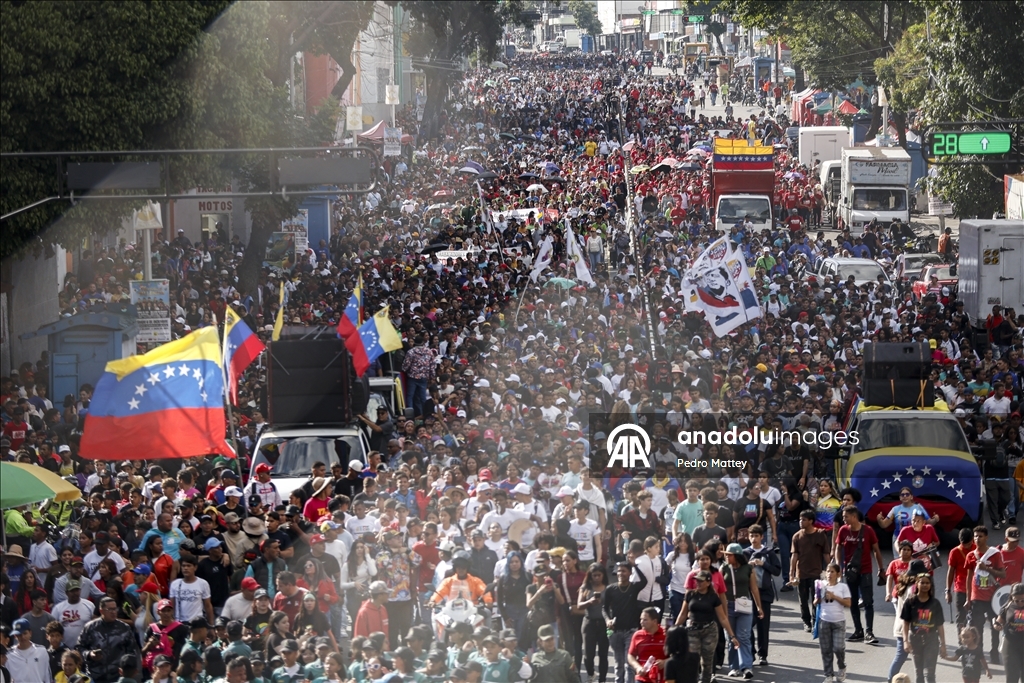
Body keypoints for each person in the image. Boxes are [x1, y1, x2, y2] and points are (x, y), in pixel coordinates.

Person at [675, 569, 736, 683]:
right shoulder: (690, 595)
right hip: (692, 630)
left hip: (709, 631)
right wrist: (674, 628)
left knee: (707, 662)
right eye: (696, 580)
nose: (697, 583)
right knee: (692, 659)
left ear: (708, 583)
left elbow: (722, 618)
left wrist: (732, 636)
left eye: (701, 581)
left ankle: (705, 681)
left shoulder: (713, 597)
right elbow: (683, 614)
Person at [835, 506, 883, 644]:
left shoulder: (868, 531)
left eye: (846, 517)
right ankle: (858, 630)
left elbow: (876, 550)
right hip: (850, 572)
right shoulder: (843, 530)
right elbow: (838, 547)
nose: (843, 519)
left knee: (868, 602)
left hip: (865, 571)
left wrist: (881, 568)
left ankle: (869, 632)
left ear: (854, 517)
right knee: (853, 602)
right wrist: (839, 566)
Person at [77, 596, 141, 683]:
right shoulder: (90, 627)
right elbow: (79, 648)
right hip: (95, 676)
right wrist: (89, 654)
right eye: (110, 609)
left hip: (118, 677)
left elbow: (132, 652)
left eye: (115, 609)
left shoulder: (124, 628)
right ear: (101, 611)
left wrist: (131, 673)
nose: (114, 612)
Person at [966, 525, 1006, 662]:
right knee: (977, 628)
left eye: (980, 536)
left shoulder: (994, 554)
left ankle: (994, 653)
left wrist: (987, 569)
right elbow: (969, 577)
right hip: (976, 597)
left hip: (992, 597)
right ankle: (979, 655)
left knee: (995, 627)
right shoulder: (971, 555)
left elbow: (1003, 573)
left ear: (986, 537)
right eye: (975, 536)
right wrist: (968, 598)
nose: (977, 539)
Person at [604, 560, 648, 683]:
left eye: (624, 571)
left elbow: (644, 581)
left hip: (631, 631)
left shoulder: (633, 587)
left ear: (629, 573)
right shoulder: (610, 589)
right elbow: (604, 608)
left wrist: (635, 566)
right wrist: (607, 620)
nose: (620, 573)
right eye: (619, 571)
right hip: (615, 631)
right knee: (618, 665)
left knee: (629, 664)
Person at [901, 571, 947, 683]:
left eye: (927, 583)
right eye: (922, 583)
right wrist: (905, 641)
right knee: (919, 673)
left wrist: (943, 644)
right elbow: (906, 623)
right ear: (917, 584)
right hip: (915, 639)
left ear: (931, 585)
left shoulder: (935, 603)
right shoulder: (910, 602)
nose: (925, 585)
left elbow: (940, 625)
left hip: (931, 640)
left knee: (930, 674)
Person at [744, 524, 780, 666]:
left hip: (764, 593)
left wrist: (763, 564)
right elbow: (739, 570)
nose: (754, 539)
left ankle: (763, 655)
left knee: (763, 625)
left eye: (756, 536)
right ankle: (751, 652)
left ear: (762, 537)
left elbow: (777, 571)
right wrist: (749, 565)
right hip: (748, 594)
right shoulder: (744, 553)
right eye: (751, 536)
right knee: (748, 624)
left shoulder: (769, 552)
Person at [791, 509, 830, 632]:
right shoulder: (797, 536)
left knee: (816, 599)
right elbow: (794, 556)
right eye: (800, 519)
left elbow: (826, 554)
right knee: (803, 600)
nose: (801, 522)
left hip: (816, 573)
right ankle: (806, 622)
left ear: (811, 521)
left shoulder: (820, 534)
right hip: (801, 573)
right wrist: (791, 573)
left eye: (804, 520)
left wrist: (831, 570)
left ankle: (815, 621)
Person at [815, 563, 852, 683]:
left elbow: (848, 603)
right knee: (825, 649)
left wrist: (834, 596)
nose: (829, 574)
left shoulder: (842, 587)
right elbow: (815, 602)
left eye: (832, 572)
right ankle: (828, 675)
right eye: (828, 571)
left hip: (838, 622)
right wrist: (818, 598)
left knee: (838, 648)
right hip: (824, 621)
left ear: (838, 574)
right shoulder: (821, 585)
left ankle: (842, 667)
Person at [628, 607, 667, 683]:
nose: (641, 622)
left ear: (654, 621)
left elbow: (678, 655)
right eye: (641, 619)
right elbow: (630, 655)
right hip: (642, 678)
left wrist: (665, 662)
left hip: (663, 678)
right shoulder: (637, 635)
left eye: (645, 620)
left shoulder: (666, 634)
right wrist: (638, 667)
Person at [6, 618, 51, 683]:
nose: (22, 637)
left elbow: (47, 675)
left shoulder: (41, 651)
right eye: (19, 635)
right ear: (15, 636)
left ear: (30, 633)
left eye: (25, 633)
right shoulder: (9, 655)